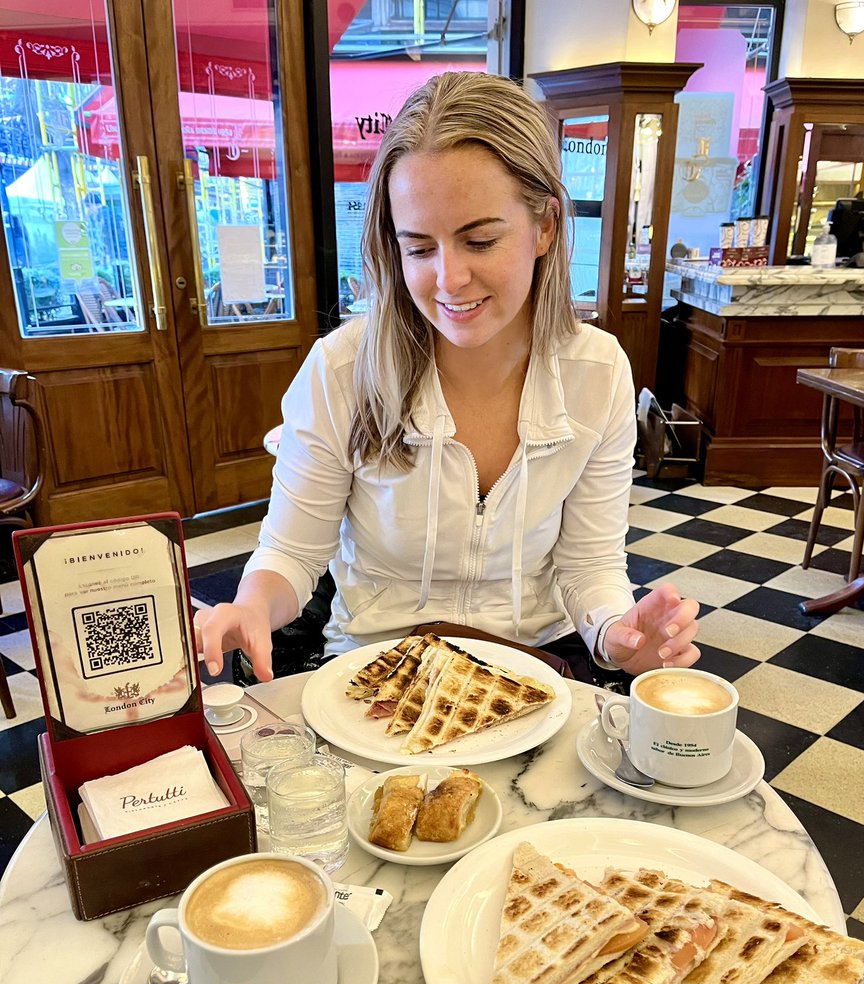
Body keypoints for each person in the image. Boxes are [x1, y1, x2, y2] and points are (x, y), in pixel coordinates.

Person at [195, 71, 700, 685]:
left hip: (532, 668)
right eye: (419, 248)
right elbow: (293, 554)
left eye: (480, 240)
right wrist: (251, 605)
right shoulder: (340, 370)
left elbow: (588, 564)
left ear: (545, 226)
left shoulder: (598, 373)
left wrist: (616, 636)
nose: (448, 278)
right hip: (371, 671)